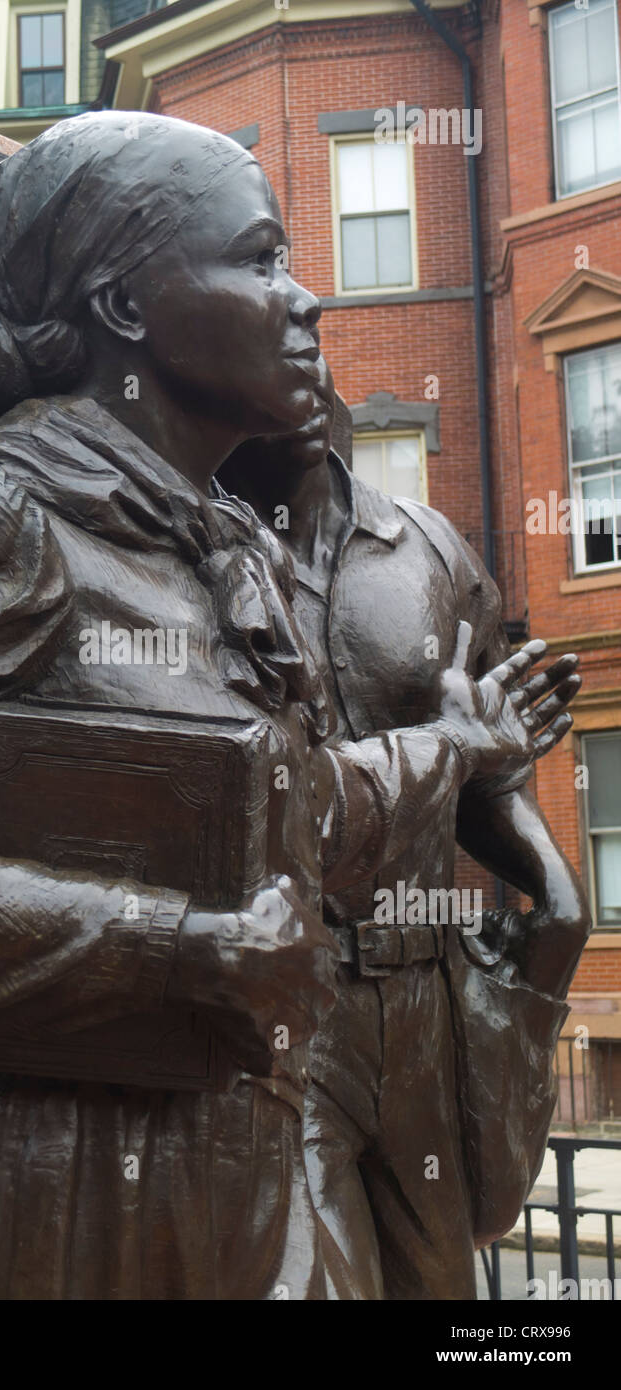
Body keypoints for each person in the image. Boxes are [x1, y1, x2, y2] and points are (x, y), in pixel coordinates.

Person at [0, 113, 574, 1300]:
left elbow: (289, 809)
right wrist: (174, 954)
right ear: (124, 309)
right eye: (261, 257)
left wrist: (451, 749)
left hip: (223, 1177)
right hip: (33, 1201)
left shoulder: (225, 544)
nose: (306, 301)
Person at [219, 356, 589, 1298]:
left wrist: (552, 892)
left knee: (441, 1291)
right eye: (270, 365)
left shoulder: (428, 547)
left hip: (422, 1004)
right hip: (286, 1013)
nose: (297, 383)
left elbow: (483, 764)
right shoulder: (195, 547)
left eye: (313, 366)